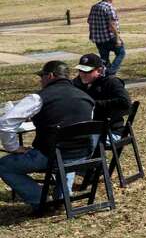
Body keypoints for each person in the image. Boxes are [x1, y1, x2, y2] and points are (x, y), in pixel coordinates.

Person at [0, 60, 95, 210]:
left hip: (52, 156)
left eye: (42, 76)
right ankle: (63, 195)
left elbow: (5, 122)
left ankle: (40, 200)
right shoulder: (86, 97)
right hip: (81, 154)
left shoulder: (39, 97)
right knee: (66, 151)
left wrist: (13, 147)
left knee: (4, 165)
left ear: (50, 76)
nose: (40, 80)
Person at [72, 53, 131, 138]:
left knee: (82, 143)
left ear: (99, 70)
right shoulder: (76, 83)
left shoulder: (111, 82)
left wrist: (93, 104)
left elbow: (125, 103)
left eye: (87, 71)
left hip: (111, 131)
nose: (82, 74)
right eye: (80, 70)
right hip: (85, 130)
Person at [88, 0, 125, 75]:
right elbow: (112, 24)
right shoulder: (109, 7)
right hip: (109, 37)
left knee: (104, 58)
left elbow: (90, 21)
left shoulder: (94, 7)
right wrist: (118, 39)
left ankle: (104, 74)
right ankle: (111, 72)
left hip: (98, 39)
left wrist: (92, 35)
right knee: (121, 53)